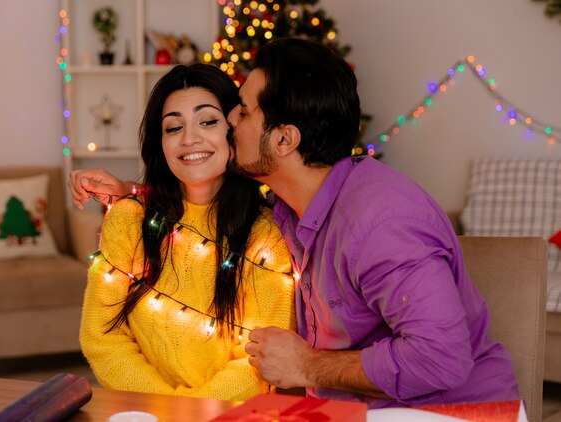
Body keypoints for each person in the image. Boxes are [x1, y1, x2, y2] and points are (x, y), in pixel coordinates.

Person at [70, 39, 518, 408]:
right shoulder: (293, 209)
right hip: (357, 408)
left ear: (284, 139)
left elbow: (442, 360)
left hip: (452, 413)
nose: (228, 121)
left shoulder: (380, 220)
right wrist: (135, 195)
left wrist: (307, 366)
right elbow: (195, 210)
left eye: (241, 113)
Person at [75, 63, 295, 401]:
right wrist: (168, 409)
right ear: (160, 142)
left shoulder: (266, 236)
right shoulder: (128, 220)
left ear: (234, 129)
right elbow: (102, 337)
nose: (189, 138)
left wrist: (191, 413)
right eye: (174, 127)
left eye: (207, 121)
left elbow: (257, 362)